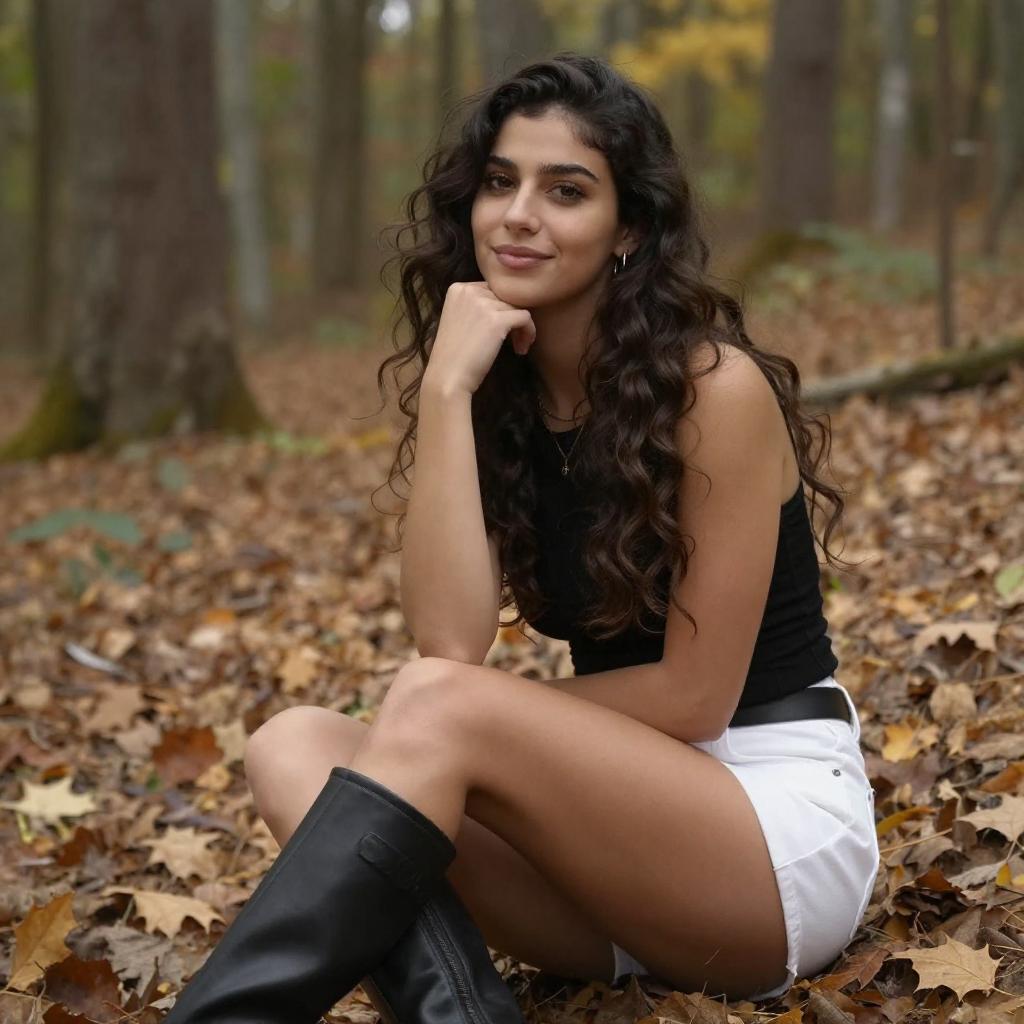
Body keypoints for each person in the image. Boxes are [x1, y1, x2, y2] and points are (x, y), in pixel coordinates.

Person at [163, 53, 880, 1023]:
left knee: (435, 707)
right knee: (291, 746)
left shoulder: (714, 389)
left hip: (767, 839)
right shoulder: (500, 390)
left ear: (629, 228)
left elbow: (694, 697)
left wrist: (467, 722)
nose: (518, 214)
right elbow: (450, 642)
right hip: (608, 856)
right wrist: (447, 390)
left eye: (566, 191)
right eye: (500, 182)